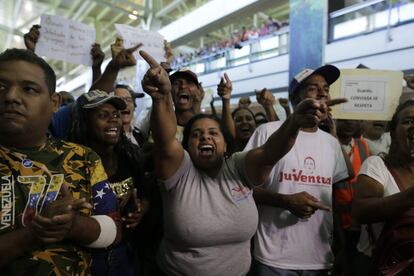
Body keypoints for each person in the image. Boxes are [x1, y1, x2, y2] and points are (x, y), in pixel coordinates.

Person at [139, 50, 344, 276]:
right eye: (197, 134)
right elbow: (165, 140)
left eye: (213, 133)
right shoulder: (180, 172)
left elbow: (269, 153)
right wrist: (161, 97)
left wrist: (294, 122)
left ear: (227, 145)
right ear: (186, 146)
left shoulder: (238, 166)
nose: (206, 137)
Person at [0, 48, 121, 275]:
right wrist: (32, 234)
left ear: (54, 102)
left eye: (28, 89)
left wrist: (73, 225)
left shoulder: (83, 157)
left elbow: (114, 231)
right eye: (1, 87)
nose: (11, 97)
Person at [245, 65, 350, 276]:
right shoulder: (267, 132)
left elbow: (336, 200)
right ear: (294, 97)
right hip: (273, 259)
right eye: (312, 88)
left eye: (326, 88)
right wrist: (285, 201)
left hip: (320, 258)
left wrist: (343, 247)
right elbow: (243, 189)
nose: (321, 92)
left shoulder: (331, 143)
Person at [67, 89, 150, 275]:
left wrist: (140, 210)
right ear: (84, 123)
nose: (113, 120)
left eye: (115, 115)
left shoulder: (130, 155)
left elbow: (145, 192)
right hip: (86, 258)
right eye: (103, 115)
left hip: (126, 254)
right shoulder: (69, 163)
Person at [352, 99, 414, 275]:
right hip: (380, 264)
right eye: (408, 121)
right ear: (393, 133)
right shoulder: (377, 165)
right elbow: (361, 211)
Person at [334, 119, 370, 270]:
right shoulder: (326, 146)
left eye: (352, 117)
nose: (349, 122)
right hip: (334, 224)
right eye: (343, 118)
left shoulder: (362, 145)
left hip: (359, 222)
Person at [169, 68, 204, 141]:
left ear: (199, 91)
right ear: (170, 92)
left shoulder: (207, 127)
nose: (183, 86)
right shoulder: (162, 126)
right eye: (176, 83)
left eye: (189, 82)